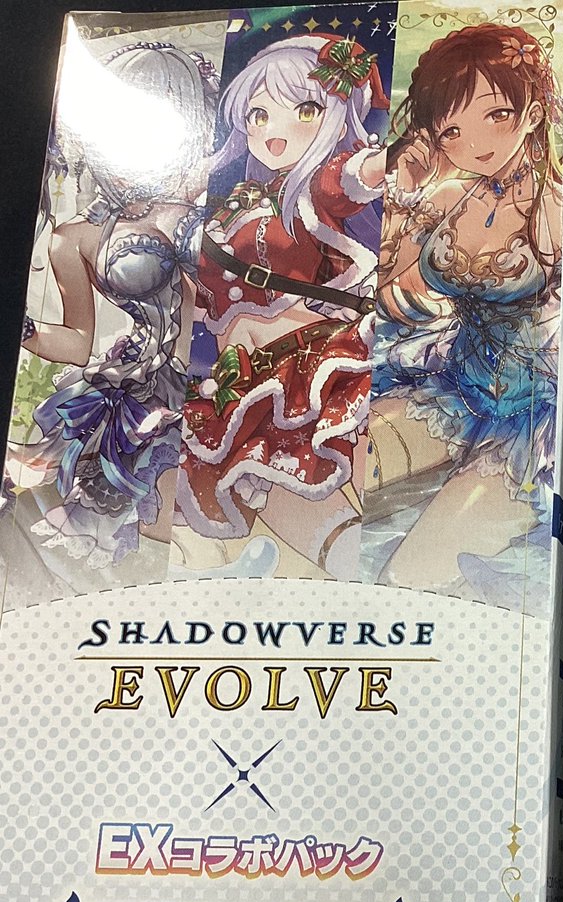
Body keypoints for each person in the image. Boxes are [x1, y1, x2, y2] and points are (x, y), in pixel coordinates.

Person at [177, 34, 387, 578]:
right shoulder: (237, 200)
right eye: (259, 114)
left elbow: (354, 178)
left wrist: (383, 161)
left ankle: (363, 586)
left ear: (335, 117)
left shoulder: (315, 188)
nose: (275, 129)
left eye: (305, 110)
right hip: (237, 379)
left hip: (303, 365)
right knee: (252, 484)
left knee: (304, 476)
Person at [368, 23, 563, 594]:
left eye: (495, 114)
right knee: (334, 471)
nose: (473, 142)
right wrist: (403, 191)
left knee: (409, 575)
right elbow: (383, 294)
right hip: (453, 390)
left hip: (531, 424)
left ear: (533, 111)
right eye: (451, 129)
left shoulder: (559, 211)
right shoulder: (447, 198)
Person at [15, 40, 217, 569]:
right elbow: (77, 343)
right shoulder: (74, 238)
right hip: (133, 386)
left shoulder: (201, 197)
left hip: (211, 364)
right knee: (141, 517)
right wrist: (25, 329)